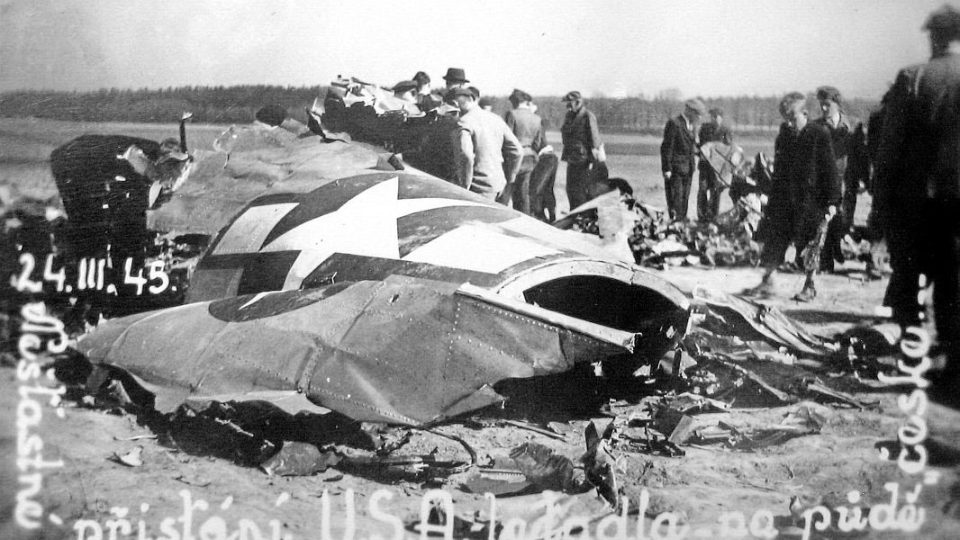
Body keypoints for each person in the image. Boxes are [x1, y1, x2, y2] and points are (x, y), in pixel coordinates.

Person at [874, 5, 960, 405]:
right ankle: (952, 364)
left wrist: (880, 205)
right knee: (954, 283)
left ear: (934, 38)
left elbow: (889, 152)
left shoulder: (914, 78)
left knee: (909, 279)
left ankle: (912, 357)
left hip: (917, 205)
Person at [746, 92, 841, 301]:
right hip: (783, 199)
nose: (789, 123)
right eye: (786, 119)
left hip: (810, 201)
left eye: (793, 118)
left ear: (805, 113)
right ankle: (768, 281)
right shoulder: (785, 135)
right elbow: (779, 170)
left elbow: (831, 171)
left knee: (809, 244)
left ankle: (810, 285)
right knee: (775, 239)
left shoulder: (819, 134)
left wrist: (833, 202)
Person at [812, 86, 869, 273]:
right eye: (821, 105)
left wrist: (862, 178)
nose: (824, 109)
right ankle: (827, 259)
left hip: (847, 181)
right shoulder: (817, 127)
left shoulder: (852, 127)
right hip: (825, 183)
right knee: (826, 220)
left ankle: (836, 247)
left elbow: (860, 154)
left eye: (827, 105)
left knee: (843, 220)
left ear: (838, 104)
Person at [448, 86, 523, 201]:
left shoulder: (464, 122)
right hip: (498, 185)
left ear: (455, 104)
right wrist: (511, 177)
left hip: (477, 188)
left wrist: (465, 186)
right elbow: (518, 151)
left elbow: (466, 155)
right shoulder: (496, 118)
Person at [661, 99, 706, 221]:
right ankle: (676, 225)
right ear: (690, 111)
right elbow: (666, 147)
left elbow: (689, 147)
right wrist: (667, 169)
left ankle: (681, 225)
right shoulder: (674, 123)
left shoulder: (691, 126)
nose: (699, 118)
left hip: (688, 169)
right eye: (697, 115)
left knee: (684, 199)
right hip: (675, 170)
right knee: (676, 201)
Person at [502, 89, 546, 213]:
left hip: (513, 157)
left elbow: (506, 138)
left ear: (514, 102)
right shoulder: (536, 118)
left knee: (506, 191)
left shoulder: (511, 114)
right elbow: (537, 142)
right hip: (529, 157)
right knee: (523, 193)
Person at [560, 91, 604, 210]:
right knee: (570, 189)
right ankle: (573, 213)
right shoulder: (569, 116)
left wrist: (594, 161)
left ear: (578, 102)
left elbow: (595, 139)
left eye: (569, 104)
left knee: (580, 190)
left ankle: (581, 217)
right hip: (572, 158)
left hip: (584, 160)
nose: (567, 107)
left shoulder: (588, 116)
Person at [697, 107, 733, 222]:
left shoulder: (725, 130)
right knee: (702, 189)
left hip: (718, 168)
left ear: (721, 118)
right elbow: (700, 145)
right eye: (712, 117)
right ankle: (702, 216)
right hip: (705, 165)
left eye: (716, 117)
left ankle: (713, 216)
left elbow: (729, 149)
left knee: (716, 191)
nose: (714, 119)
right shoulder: (704, 128)